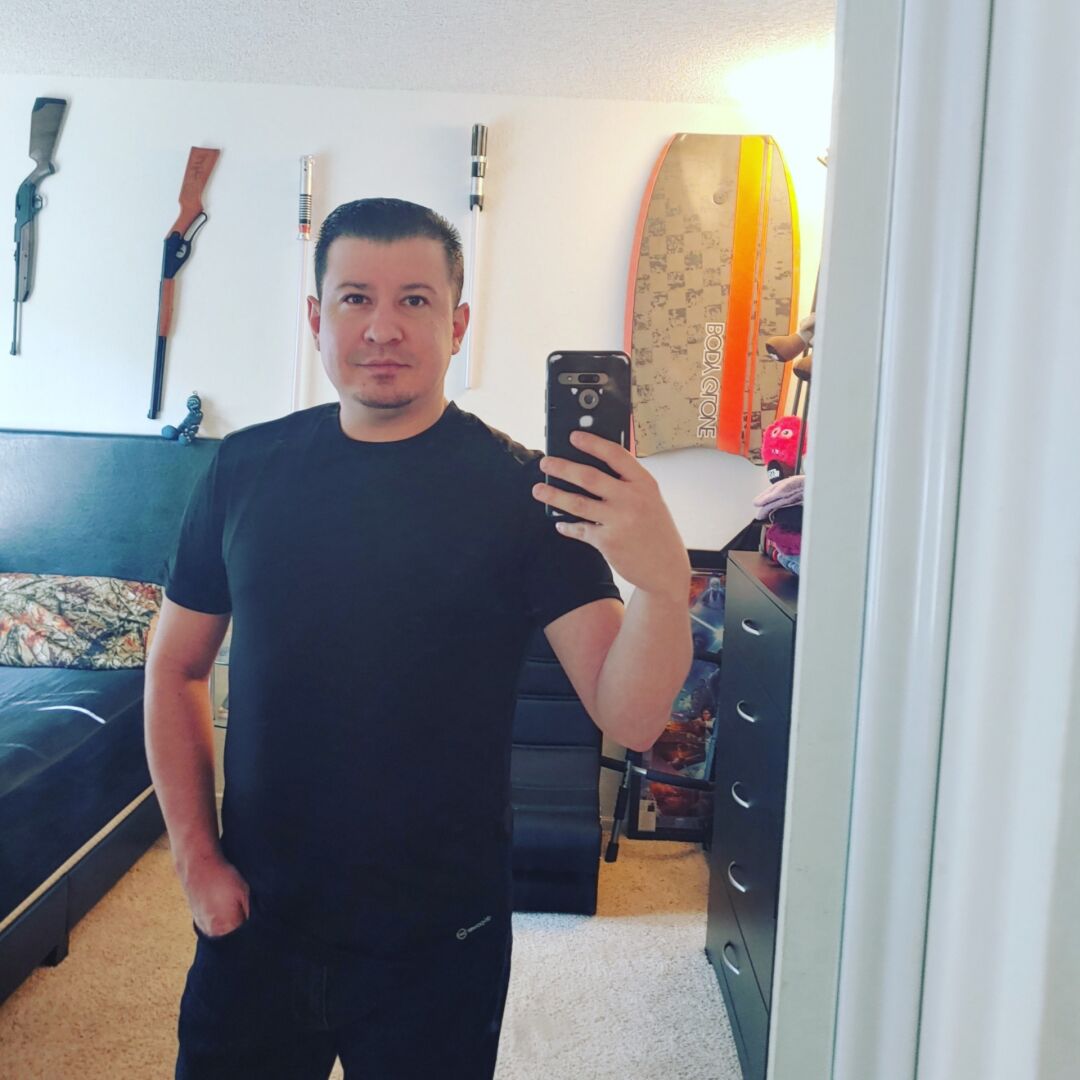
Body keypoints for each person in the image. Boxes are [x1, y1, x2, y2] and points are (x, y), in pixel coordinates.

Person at [145, 197, 692, 1079]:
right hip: (256, 920)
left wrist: (664, 583)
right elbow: (175, 669)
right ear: (317, 317)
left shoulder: (525, 493)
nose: (383, 328)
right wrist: (195, 858)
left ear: (457, 324)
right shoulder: (242, 470)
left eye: (415, 300)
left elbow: (630, 717)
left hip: (442, 941)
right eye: (356, 298)